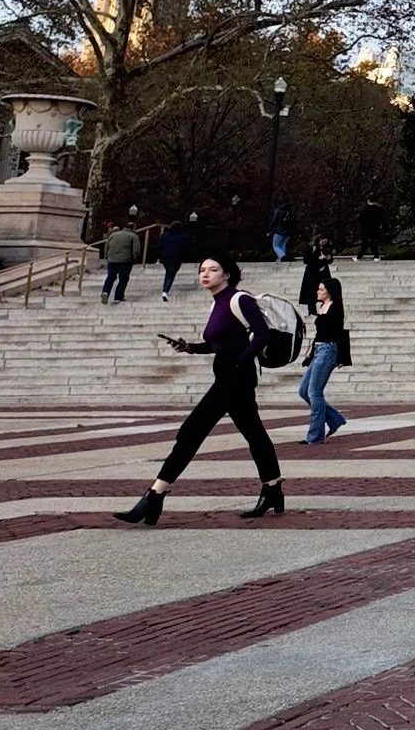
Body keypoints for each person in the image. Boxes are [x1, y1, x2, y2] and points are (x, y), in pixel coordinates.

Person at [113, 254, 284, 525]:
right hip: (228, 375)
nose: (205, 274)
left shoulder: (240, 300)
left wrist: (240, 362)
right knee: (254, 433)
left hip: (234, 377)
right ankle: (273, 488)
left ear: (226, 274)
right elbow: (219, 344)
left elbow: (263, 334)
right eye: (202, 270)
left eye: (213, 270)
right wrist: (190, 347)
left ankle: (154, 496)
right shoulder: (217, 303)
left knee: (192, 431)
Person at [298, 278, 348, 443]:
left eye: (321, 289)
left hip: (328, 350)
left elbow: (338, 332)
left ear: (329, 291)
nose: (318, 292)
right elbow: (320, 332)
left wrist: (341, 356)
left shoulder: (335, 308)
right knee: (304, 390)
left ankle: (315, 436)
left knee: (314, 393)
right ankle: (335, 419)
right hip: (319, 349)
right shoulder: (322, 307)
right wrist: (311, 349)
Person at [100, 217, 142, 305]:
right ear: (133, 228)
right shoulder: (133, 236)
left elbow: (107, 246)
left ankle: (105, 292)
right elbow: (136, 250)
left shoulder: (114, 235)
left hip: (112, 259)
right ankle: (118, 296)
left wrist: (107, 255)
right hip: (125, 260)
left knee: (110, 276)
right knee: (123, 278)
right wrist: (134, 258)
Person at [157, 213, 195, 300]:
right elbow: (185, 248)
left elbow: (160, 245)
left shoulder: (165, 235)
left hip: (165, 256)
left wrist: (160, 255)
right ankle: (165, 291)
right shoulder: (182, 236)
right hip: (176, 257)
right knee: (171, 274)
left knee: (168, 273)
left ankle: (166, 289)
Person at [296, 235, 336, 309]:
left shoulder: (326, 248)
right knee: (311, 293)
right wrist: (317, 259)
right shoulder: (312, 248)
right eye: (322, 240)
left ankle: (325, 308)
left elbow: (329, 260)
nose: (323, 242)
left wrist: (328, 258)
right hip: (312, 274)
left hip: (323, 273)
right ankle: (311, 310)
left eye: (325, 241)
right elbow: (306, 260)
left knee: (325, 291)